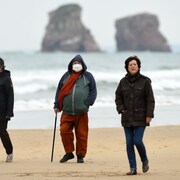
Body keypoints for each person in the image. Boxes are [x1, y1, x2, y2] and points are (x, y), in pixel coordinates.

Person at [115, 55, 155, 175]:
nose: (133, 66)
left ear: (138, 67)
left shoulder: (145, 81)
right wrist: (121, 109)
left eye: (135, 64)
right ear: (127, 67)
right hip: (127, 117)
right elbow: (118, 97)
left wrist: (149, 115)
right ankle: (133, 168)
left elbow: (150, 100)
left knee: (137, 141)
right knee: (129, 143)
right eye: (130, 64)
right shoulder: (123, 82)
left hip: (141, 117)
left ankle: (144, 159)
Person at [54, 54, 97, 163]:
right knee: (64, 131)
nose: (76, 65)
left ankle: (80, 156)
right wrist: (56, 105)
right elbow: (59, 91)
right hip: (67, 111)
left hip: (81, 111)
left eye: (78, 63)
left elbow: (93, 91)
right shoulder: (66, 76)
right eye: (74, 63)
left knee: (82, 135)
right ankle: (69, 153)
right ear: (71, 65)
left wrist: (87, 104)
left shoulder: (88, 76)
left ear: (82, 65)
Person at [0, 58, 14, 162]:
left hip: (3, 111)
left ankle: (9, 152)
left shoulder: (6, 78)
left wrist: (9, 112)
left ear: (2, 66)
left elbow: (10, 95)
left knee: (2, 132)